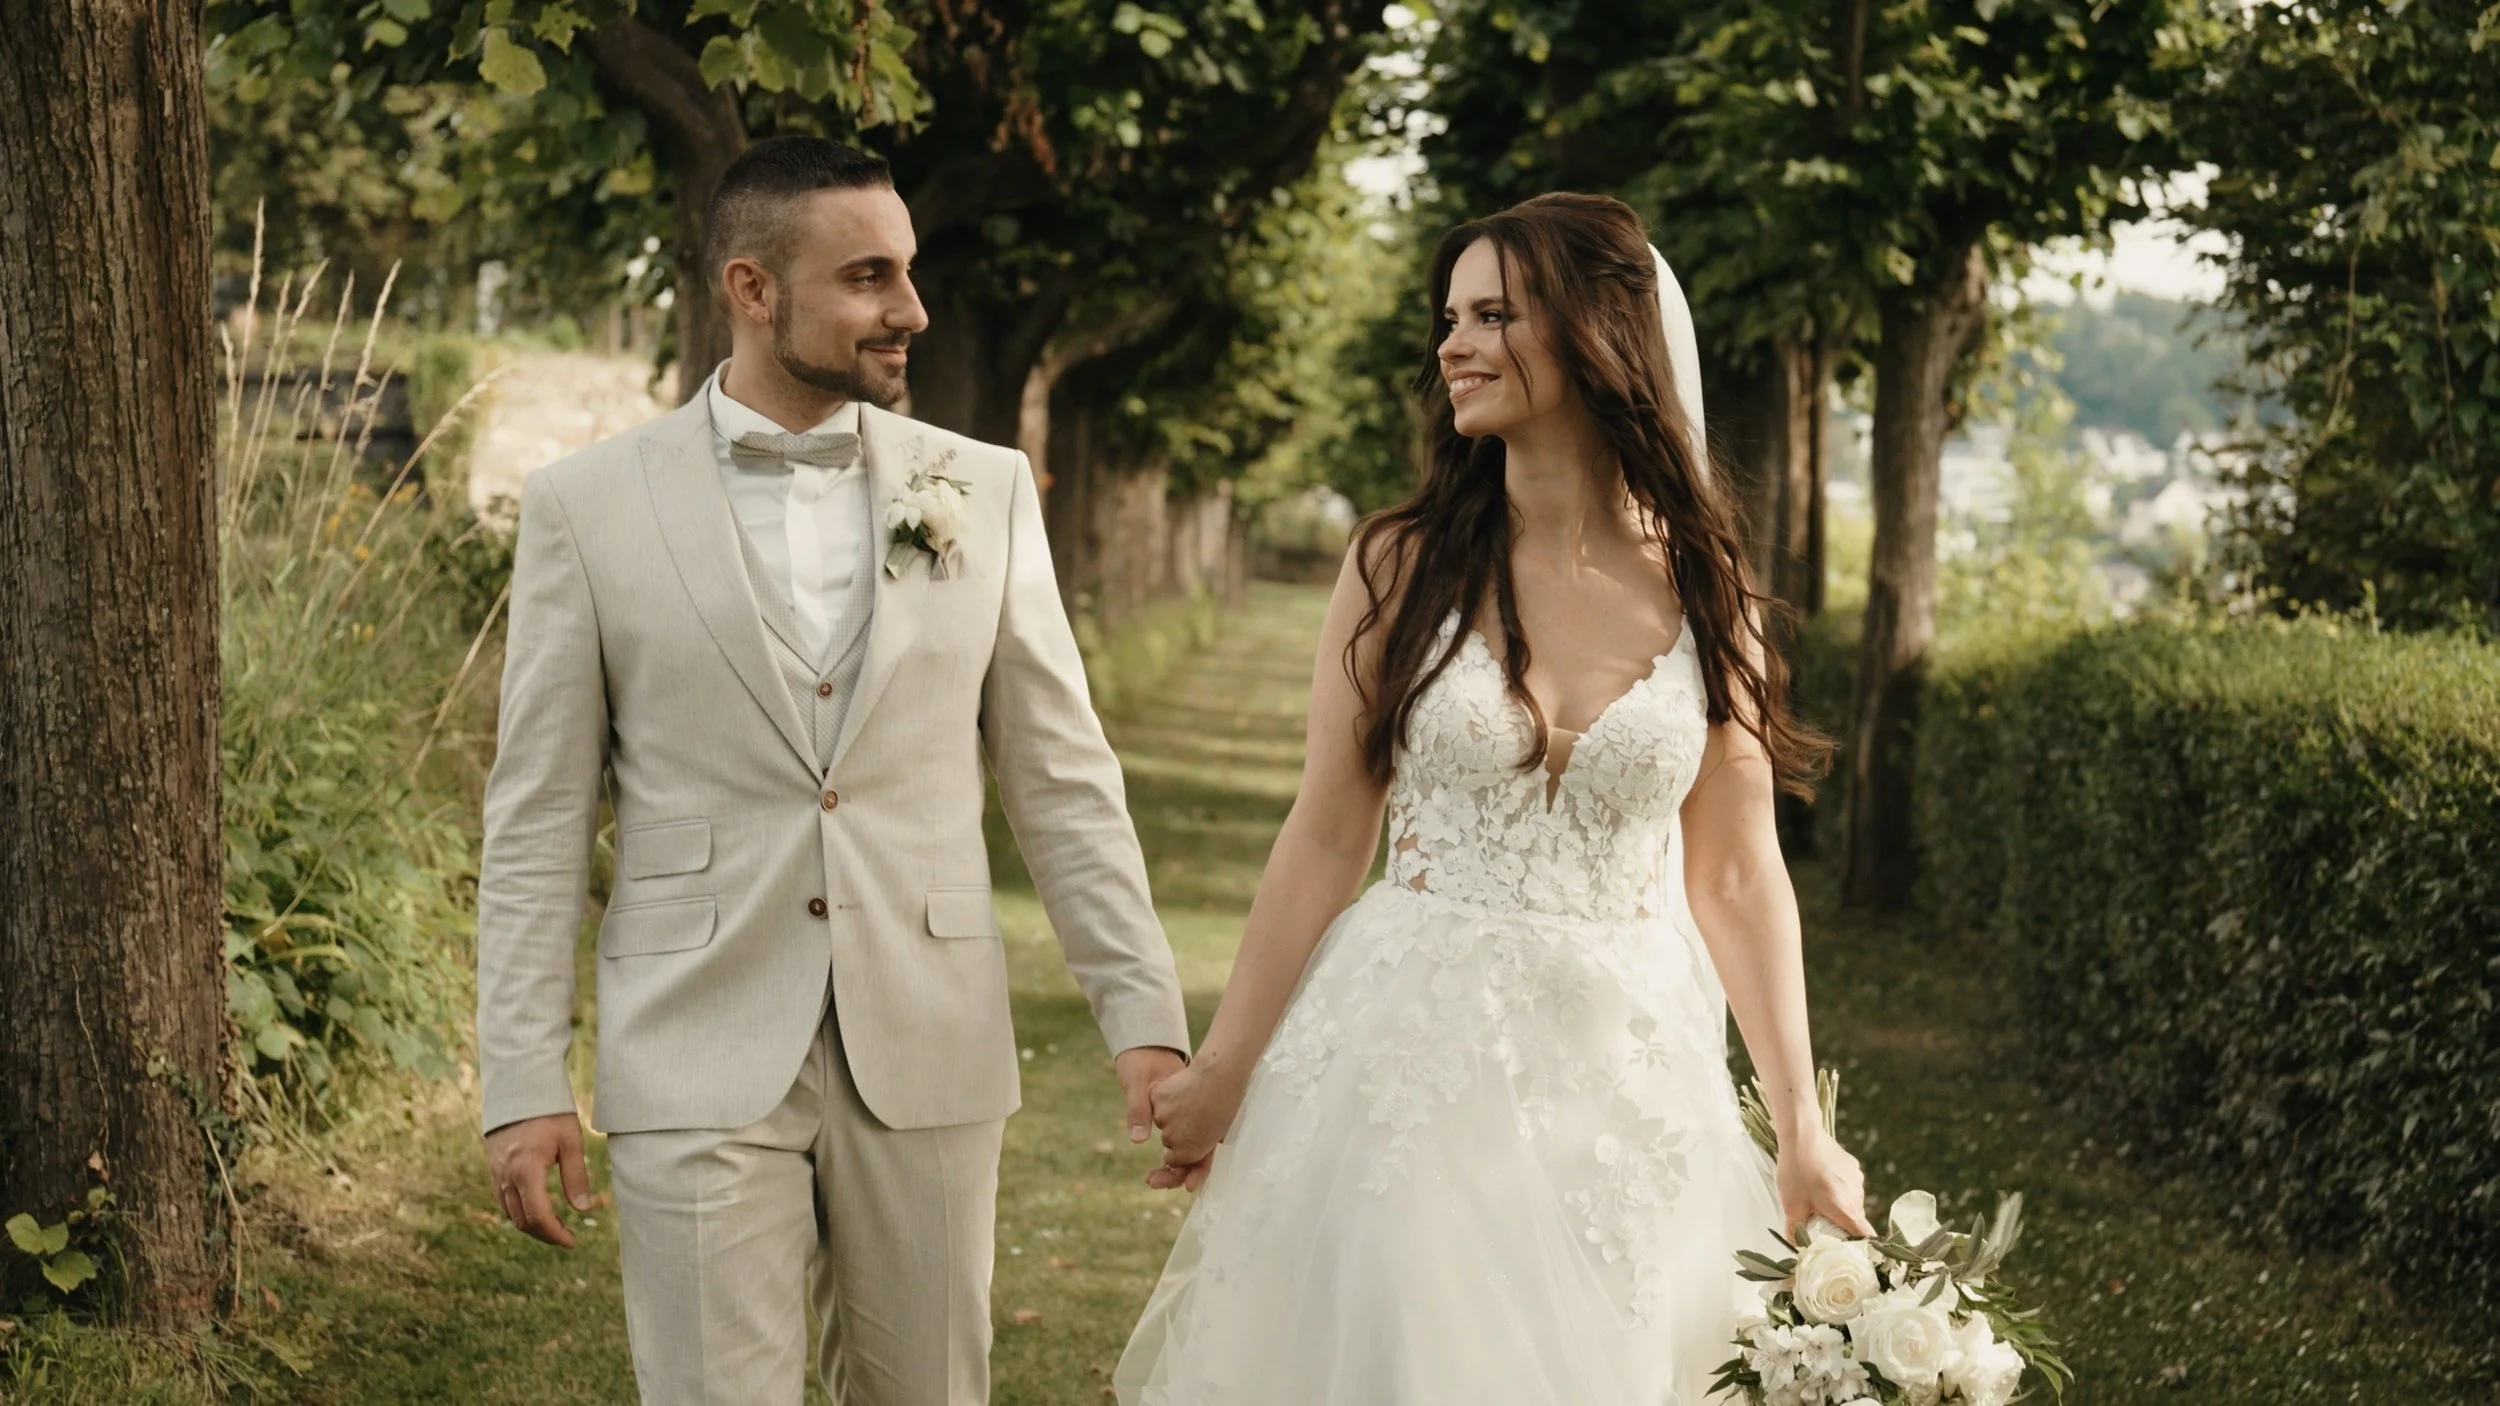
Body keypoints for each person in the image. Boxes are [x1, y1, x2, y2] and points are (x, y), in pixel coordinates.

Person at [1115, 192, 1873, 1404]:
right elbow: (1325, 829)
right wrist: (1224, 1066)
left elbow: (1735, 871)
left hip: (1626, 1078)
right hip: (1410, 1058)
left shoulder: (1704, 583)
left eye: (1493, 314)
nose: (1452, 344)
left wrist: (1799, 1124)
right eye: (1449, 316)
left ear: (1593, 335)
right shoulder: (1398, 563)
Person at [473, 135, 1190, 1406]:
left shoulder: (982, 488)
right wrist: (524, 1079)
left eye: (907, 273)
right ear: (753, 290)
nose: (909, 310)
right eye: (869, 277)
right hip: (694, 1030)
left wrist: (1141, 1014)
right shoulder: (586, 505)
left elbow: (1061, 777)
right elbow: (537, 813)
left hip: (927, 1029)